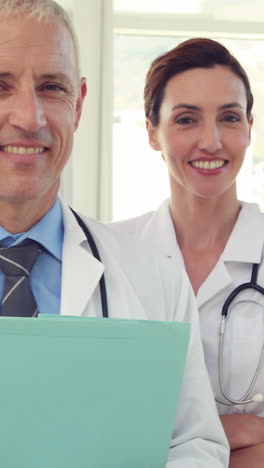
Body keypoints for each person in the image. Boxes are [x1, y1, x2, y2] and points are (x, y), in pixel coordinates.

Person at [0, 2, 229, 467]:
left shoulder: (155, 278)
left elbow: (196, 447)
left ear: (80, 104)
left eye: (51, 87)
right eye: (0, 86)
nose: (29, 116)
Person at [110, 37, 264, 467]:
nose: (211, 141)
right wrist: (241, 430)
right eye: (186, 119)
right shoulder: (104, 254)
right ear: (151, 132)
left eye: (229, 118)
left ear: (249, 128)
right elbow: (98, 425)